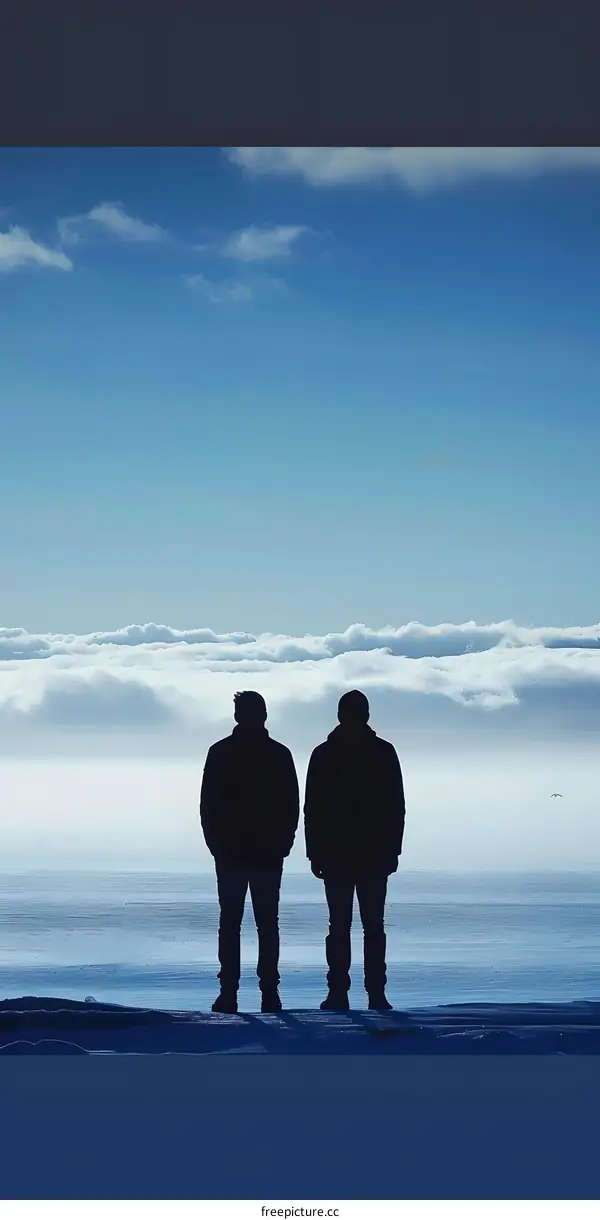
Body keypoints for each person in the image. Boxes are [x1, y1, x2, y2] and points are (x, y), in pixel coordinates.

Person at [304, 690, 405, 1012]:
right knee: (370, 927)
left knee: (342, 927)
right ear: (366, 715)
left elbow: (312, 810)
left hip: (344, 854)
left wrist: (314, 852)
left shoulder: (325, 753)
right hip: (366, 854)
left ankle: (345, 993)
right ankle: (371, 994)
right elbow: (396, 808)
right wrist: (392, 851)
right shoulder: (381, 752)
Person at [200, 690, 299, 1014]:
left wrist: (218, 844)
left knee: (238, 923)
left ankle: (236, 992)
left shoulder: (223, 753)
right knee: (263, 924)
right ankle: (262, 993)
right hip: (250, 853)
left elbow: (290, 806)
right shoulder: (276, 754)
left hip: (246, 853)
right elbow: (291, 806)